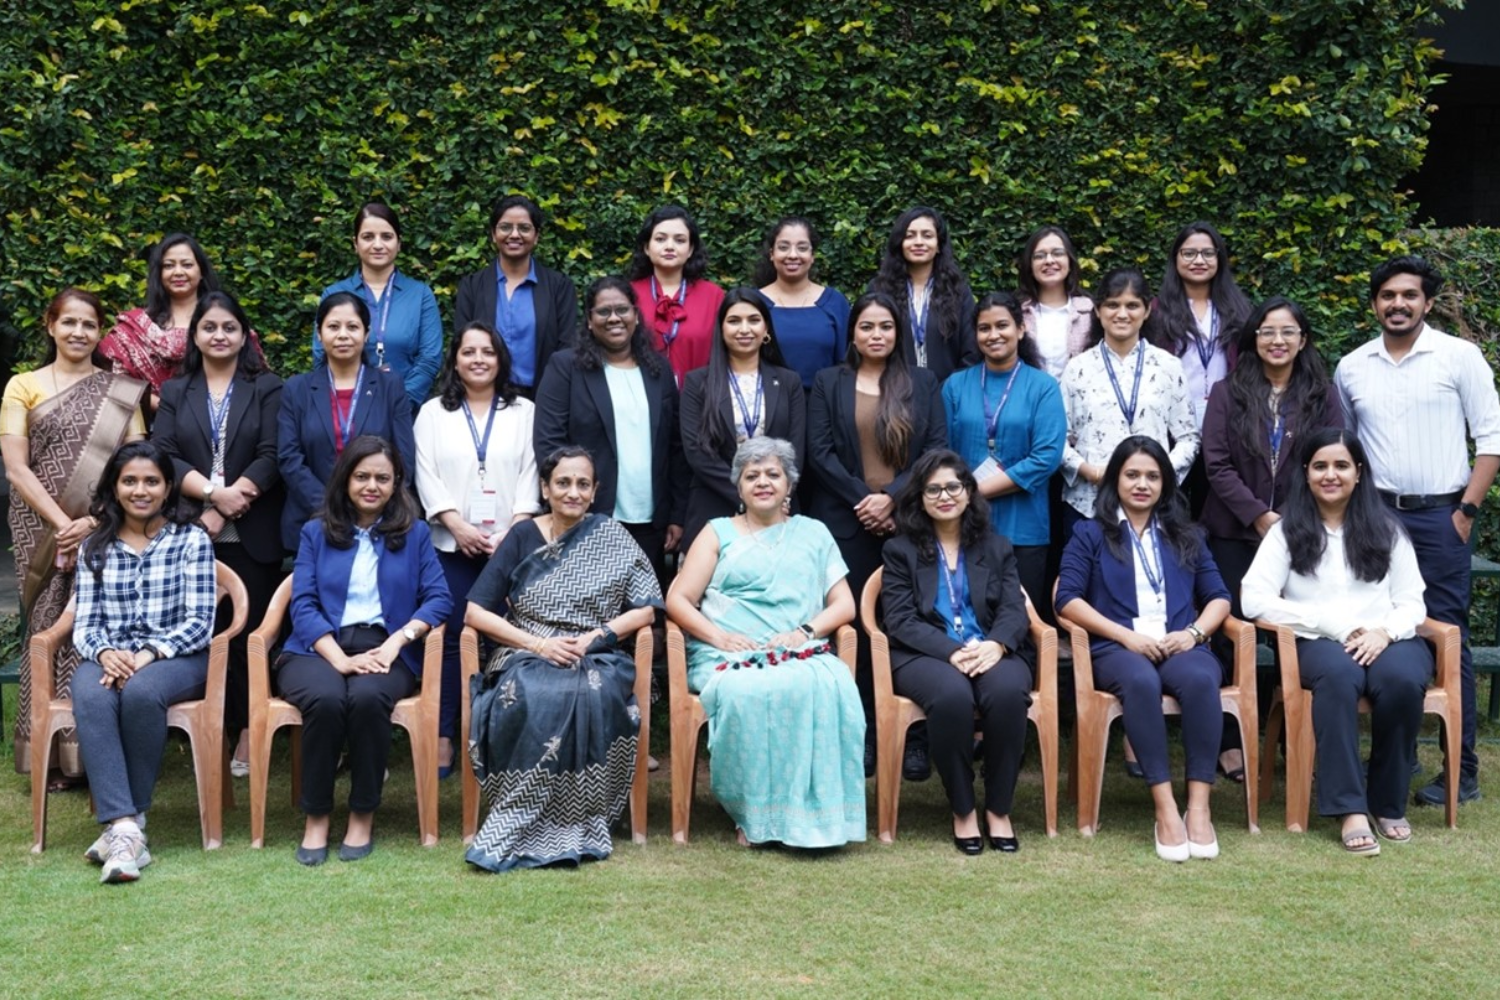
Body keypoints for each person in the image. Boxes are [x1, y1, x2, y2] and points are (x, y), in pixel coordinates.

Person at [1334, 255, 1500, 807]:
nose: (1397, 304)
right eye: (1387, 295)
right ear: (1375, 303)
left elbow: (1492, 440)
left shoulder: (1459, 356)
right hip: (1374, 516)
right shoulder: (1353, 366)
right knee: (1369, 627)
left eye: (1409, 295)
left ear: (1427, 302)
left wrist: (1465, 513)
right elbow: (1347, 450)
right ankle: (1389, 760)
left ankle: (1463, 770)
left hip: (1440, 517)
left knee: (1446, 636)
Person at [463, 446, 662, 872]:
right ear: (545, 488)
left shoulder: (610, 534)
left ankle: (580, 818)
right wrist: (539, 646)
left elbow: (647, 607)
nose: (573, 492)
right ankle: (518, 819)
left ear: (594, 493)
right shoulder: (522, 536)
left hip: (597, 654)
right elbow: (476, 612)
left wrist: (597, 636)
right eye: (563, 483)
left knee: (590, 692)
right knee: (533, 692)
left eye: (583, 484)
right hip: (526, 651)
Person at [665, 437, 865, 847]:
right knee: (749, 690)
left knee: (830, 684)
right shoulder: (717, 532)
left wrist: (804, 633)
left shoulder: (813, 532)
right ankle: (751, 814)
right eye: (751, 475)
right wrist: (720, 636)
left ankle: (814, 815)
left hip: (796, 649)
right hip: (727, 651)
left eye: (773, 474)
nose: (762, 482)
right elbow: (678, 600)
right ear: (737, 486)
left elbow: (844, 604)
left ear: (789, 484)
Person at [1241, 429, 1433, 853]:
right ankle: (1349, 809)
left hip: (1388, 638)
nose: (1331, 475)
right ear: (1306, 474)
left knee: (1402, 680)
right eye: (1320, 466)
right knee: (1339, 676)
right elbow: (1254, 598)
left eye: (1341, 465)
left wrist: (1384, 632)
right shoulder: (1286, 531)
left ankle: (1386, 802)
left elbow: (1412, 602)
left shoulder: (1387, 529)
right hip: (1318, 640)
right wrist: (1329, 623)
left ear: (1359, 473)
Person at [1055, 436, 1231, 861]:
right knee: (1139, 679)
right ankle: (1166, 808)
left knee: (1202, 678)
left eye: (1152, 476)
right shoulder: (1090, 533)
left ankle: (1199, 808)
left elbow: (1219, 597)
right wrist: (1123, 635)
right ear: (1115, 479)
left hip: (1178, 641)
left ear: (1165, 484)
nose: (1142, 484)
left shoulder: (1186, 534)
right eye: (1132, 474)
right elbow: (1067, 599)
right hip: (1118, 648)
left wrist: (1193, 635)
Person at [277, 436, 451, 865]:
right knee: (327, 697)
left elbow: (439, 598)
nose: (372, 485)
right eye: (362, 476)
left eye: (382, 478)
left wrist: (397, 643)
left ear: (397, 484)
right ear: (345, 479)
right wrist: (338, 658)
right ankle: (316, 815)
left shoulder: (416, 534)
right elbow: (303, 603)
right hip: (315, 649)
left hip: (383, 648)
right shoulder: (315, 532)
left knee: (369, 698)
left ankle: (361, 813)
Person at [2, 289, 146, 779]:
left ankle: (89, 753)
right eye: (70, 323)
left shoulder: (122, 391)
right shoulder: (23, 385)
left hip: (101, 524)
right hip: (38, 526)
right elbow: (17, 469)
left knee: (96, 625)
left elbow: (136, 466)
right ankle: (45, 751)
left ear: (100, 332)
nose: (79, 333)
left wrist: (96, 519)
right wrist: (64, 525)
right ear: (50, 325)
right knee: (46, 629)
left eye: (89, 324)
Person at [1200, 295, 1343, 782]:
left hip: (1303, 533)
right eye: (1267, 332)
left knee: (1300, 632)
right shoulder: (1227, 392)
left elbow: (1329, 460)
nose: (1277, 340)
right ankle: (1229, 740)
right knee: (1228, 639)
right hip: (1233, 534)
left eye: (1287, 332)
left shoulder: (1322, 394)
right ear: (1253, 340)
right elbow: (1215, 463)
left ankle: (1292, 738)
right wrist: (1259, 517)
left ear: (1302, 340)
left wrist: (1291, 518)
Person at [806, 291, 945, 775]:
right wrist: (864, 501)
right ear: (853, 335)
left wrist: (894, 498)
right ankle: (861, 730)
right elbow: (818, 452)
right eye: (866, 327)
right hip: (848, 524)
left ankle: (916, 737)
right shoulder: (828, 382)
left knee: (916, 624)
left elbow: (935, 448)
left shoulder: (923, 382)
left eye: (885, 326)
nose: (876, 335)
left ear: (897, 332)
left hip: (910, 522)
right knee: (859, 633)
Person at [69, 440, 217, 883]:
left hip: (178, 657)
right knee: (91, 693)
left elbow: (200, 622)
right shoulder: (94, 546)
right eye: (129, 481)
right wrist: (106, 652)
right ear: (114, 488)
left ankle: (121, 830)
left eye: (151, 481)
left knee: (142, 690)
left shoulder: (191, 540)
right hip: (112, 654)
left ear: (168, 487)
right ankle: (127, 828)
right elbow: (85, 623)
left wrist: (148, 654)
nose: (140, 490)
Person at [153, 291, 286, 779]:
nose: (219, 335)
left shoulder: (267, 386)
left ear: (243, 335)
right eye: (209, 327)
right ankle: (214, 730)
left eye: (229, 327)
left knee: (253, 637)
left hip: (252, 531)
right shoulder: (174, 391)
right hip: (194, 532)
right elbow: (164, 454)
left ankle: (253, 729)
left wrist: (232, 503)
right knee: (205, 638)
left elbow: (273, 453)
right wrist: (212, 497)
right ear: (196, 335)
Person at [881, 450, 1036, 854]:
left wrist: (997, 644)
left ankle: (999, 808)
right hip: (926, 654)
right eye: (933, 489)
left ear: (969, 492)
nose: (944, 496)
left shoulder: (997, 547)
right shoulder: (900, 551)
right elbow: (900, 620)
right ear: (919, 498)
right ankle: (963, 807)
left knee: (1006, 694)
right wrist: (951, 651)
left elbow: (1014, 609)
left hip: (990, 648)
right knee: (951, 697)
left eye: (953, 486)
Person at [414, 321, 540, 777]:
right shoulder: (432, 413)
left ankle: (507, 736)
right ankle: (446, 734)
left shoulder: (524, 411)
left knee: (511, 640)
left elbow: (533, 471)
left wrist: (516, 528)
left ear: (501, 359)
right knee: (448, 641)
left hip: (514, 547)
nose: (479, 360)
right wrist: (455, 523)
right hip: (451, 546)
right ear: (455, 361)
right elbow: (424, 473)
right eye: (469, 352)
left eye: (488, 351)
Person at [533, 276, 686, 589]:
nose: (614, 318)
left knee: (643, 614)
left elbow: (676, 447)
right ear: (589, 320)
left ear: (636, 315)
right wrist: (567, 498)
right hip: (586, 516)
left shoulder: (658, 369)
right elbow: (549, 442)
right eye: (603, 312)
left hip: (650, 520)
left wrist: (677, 514)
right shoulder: (566, 367)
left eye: (622, 309)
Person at [942, 291, 1067, 611]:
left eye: (1002, 326)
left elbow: (1047, 457)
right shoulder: (955, 385)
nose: (993, 335)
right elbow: (943, 452)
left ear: (1021, 329)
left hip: (1024, 526)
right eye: (984, 328)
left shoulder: (1043, 386)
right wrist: (962, 495)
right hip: (962, 522)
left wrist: (973, 490)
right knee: (968, 614)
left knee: (1020, 619)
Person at [1059, 267, 1197, 540]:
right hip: (1088, 502)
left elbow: (1189, 438)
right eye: (1112, 305)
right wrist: (1091, 472)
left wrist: (1158, 473)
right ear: (1098, 311)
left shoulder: (1168, 366)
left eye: (1132, 305)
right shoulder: (1077, 368)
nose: (1122, 314)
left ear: (1146, 311)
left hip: (1154, 505)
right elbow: (1056, 439)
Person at [277, 291, 415, 552]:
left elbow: (403, 458)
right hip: (313, 520)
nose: (342, 335)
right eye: (333, 326)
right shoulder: (297, 389)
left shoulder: (389, 386)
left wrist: (370, 507)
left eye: (352, 327)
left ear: (366, 333)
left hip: (380, 523)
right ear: (319, 334)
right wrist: (332, 506)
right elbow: (288, 457)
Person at [679, 288, 805, 547]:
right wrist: (748, 495)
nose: (744, 329)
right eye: (734, 321)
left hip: (779, 509)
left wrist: (773, 494)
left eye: (754, 320)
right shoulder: (697, 383)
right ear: (721, 329)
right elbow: (697, 453)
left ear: (766, 329)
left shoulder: (789, 381)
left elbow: (796, 449)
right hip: (714, 506)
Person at [1152, 222, 1254, 517]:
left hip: (1225, 423)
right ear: (1175, 259)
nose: (1199, 261)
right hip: (1173, 427)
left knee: (1217, 509)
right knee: (1172, 508)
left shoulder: (1238, 309)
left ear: (1219, 259)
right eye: (1189, 253)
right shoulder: (1157, 310)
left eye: (1208, 253)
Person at [316, 201, 444, 411]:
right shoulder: (334, 294)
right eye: (368, 237)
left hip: (404, 411)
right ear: (355, 244)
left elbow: (429, 359)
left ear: (399, 243)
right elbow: (321, 353)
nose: (377, 245)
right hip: (346, 411)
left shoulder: (420, 295)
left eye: (386, 236)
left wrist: (400, 402)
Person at [453, 194, 580, 399]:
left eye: (524, 228)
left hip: (543, 398)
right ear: (493, 234)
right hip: (483, 397)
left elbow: (567, 348)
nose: (514, 234)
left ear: (536, 236)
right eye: (505, 227)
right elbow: (461, 346)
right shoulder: (472, 287)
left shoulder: (559, 287)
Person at [100, 233, 225, 413]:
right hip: (150, 428)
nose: (178, 272)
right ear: (159, 274)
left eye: (187, 264)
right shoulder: (138, 326)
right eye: (168, 266)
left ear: (202, 271)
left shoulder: (224, 322)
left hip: (217, 422)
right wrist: (161, 407)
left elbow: (247, 372)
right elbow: (111, 378)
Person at [867, 206, 976, 382]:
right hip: (893, 394)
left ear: (939, 244)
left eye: (927, 235)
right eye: (910, 236)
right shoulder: (879, 289)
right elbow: (868, 346)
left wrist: (953, 389)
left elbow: (972, 350)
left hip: (948, 396)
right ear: (900, 243)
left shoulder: (958, 290)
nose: (918, 242)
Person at [628, 204, 726, 385]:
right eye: (660, 239)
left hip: (699, 400)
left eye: (680, 240)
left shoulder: (714, 296)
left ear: (690, 250)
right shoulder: (627, 295)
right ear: (646, 247)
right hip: (639, 400)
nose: (670, 246)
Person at [753, 216, 852, 389]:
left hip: (823, 407)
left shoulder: (835, 303)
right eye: (783, 247)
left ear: (812, 255)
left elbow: (847, 365)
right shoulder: (754, 303)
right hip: (767, 408)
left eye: (802, 248)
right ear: (772, 254)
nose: (793, 255)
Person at [1015, 225, 1093, 380]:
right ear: (1030, 266)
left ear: (1070, 262)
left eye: (1058, 253)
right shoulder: (1016, 312)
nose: (1049, 261)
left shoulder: (1091, 312)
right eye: (1039, 256)